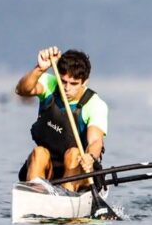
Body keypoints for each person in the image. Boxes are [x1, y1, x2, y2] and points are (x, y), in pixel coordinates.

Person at [15, 47, 109, 192]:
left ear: (85, 82)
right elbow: (22, 90)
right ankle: (36, 193)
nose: (66, 88)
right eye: (63, 81)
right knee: (39, 152)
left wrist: (90, 157)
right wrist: (40, 69)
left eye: (73, 84)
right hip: (49, 168)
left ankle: (68, 195)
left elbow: (96, 141)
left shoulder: (95, 104)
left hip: (78, 170)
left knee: (73, 154)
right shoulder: (50, 84)